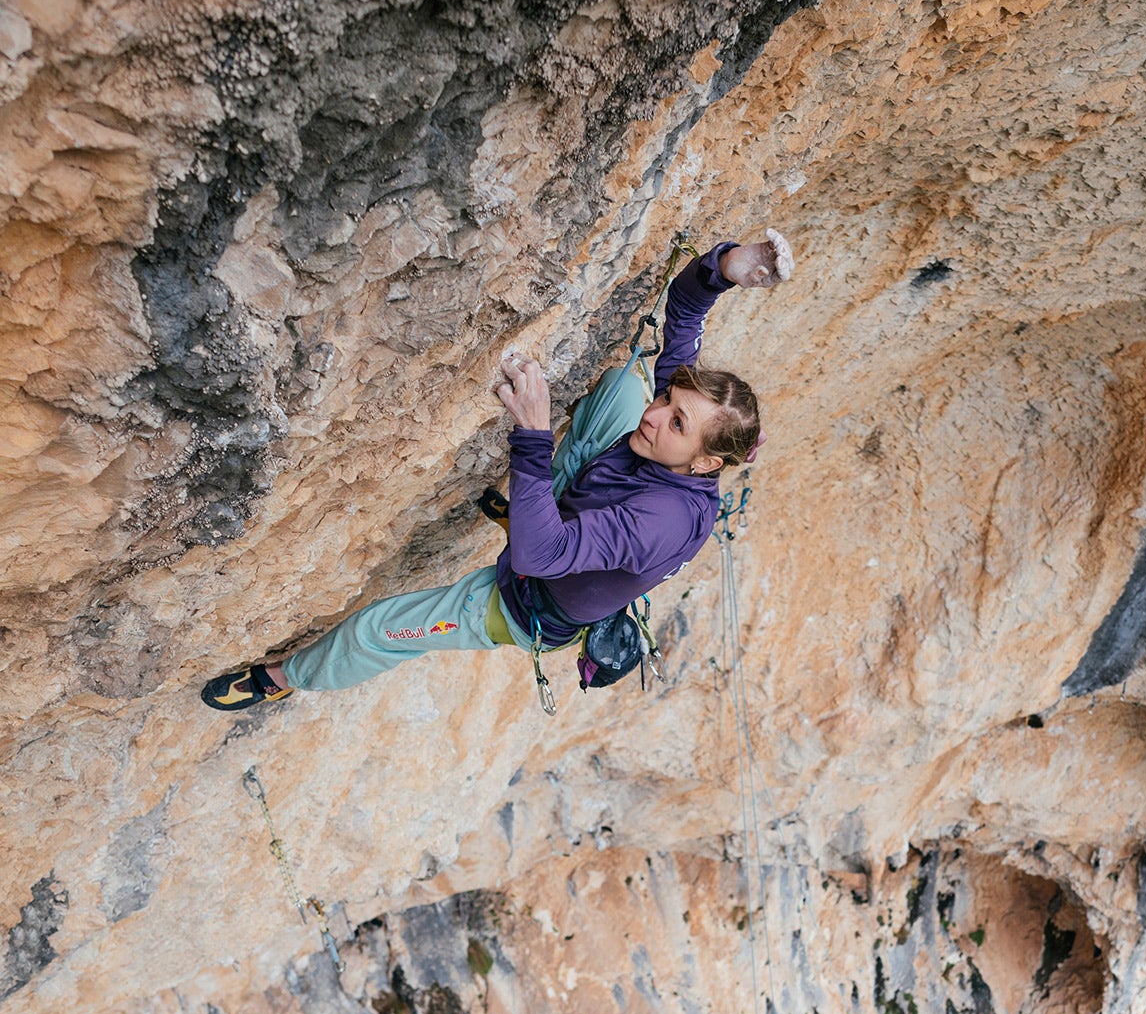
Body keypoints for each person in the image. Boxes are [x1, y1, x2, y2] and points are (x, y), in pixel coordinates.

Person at [200, 233, 792, 710]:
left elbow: (542, 558)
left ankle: (283, 677)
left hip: (525, 597)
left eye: (678, 422)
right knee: (621, 389)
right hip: (579, 514)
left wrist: (534, 432)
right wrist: (726, 267)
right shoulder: (683, 441)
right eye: (668, 403)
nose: (659, 415)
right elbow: (685, 312)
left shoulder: (661, 520)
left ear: (709, 461)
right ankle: (532, 511)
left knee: (375, 630)